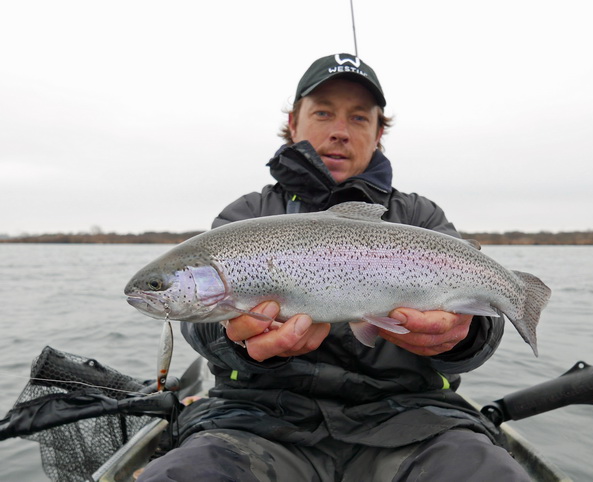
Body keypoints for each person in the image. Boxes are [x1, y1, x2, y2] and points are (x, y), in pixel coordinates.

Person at [138, 53, 531, 481]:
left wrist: (461, 336)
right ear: (294, 122)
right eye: (323, 113)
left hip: (415, 425)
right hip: (257, 426)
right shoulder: (247, 215)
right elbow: (202, 327)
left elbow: (480, 322)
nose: (340, 132)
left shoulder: (418, 215)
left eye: (359, 119)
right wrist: (236, 341)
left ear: (380, 133)